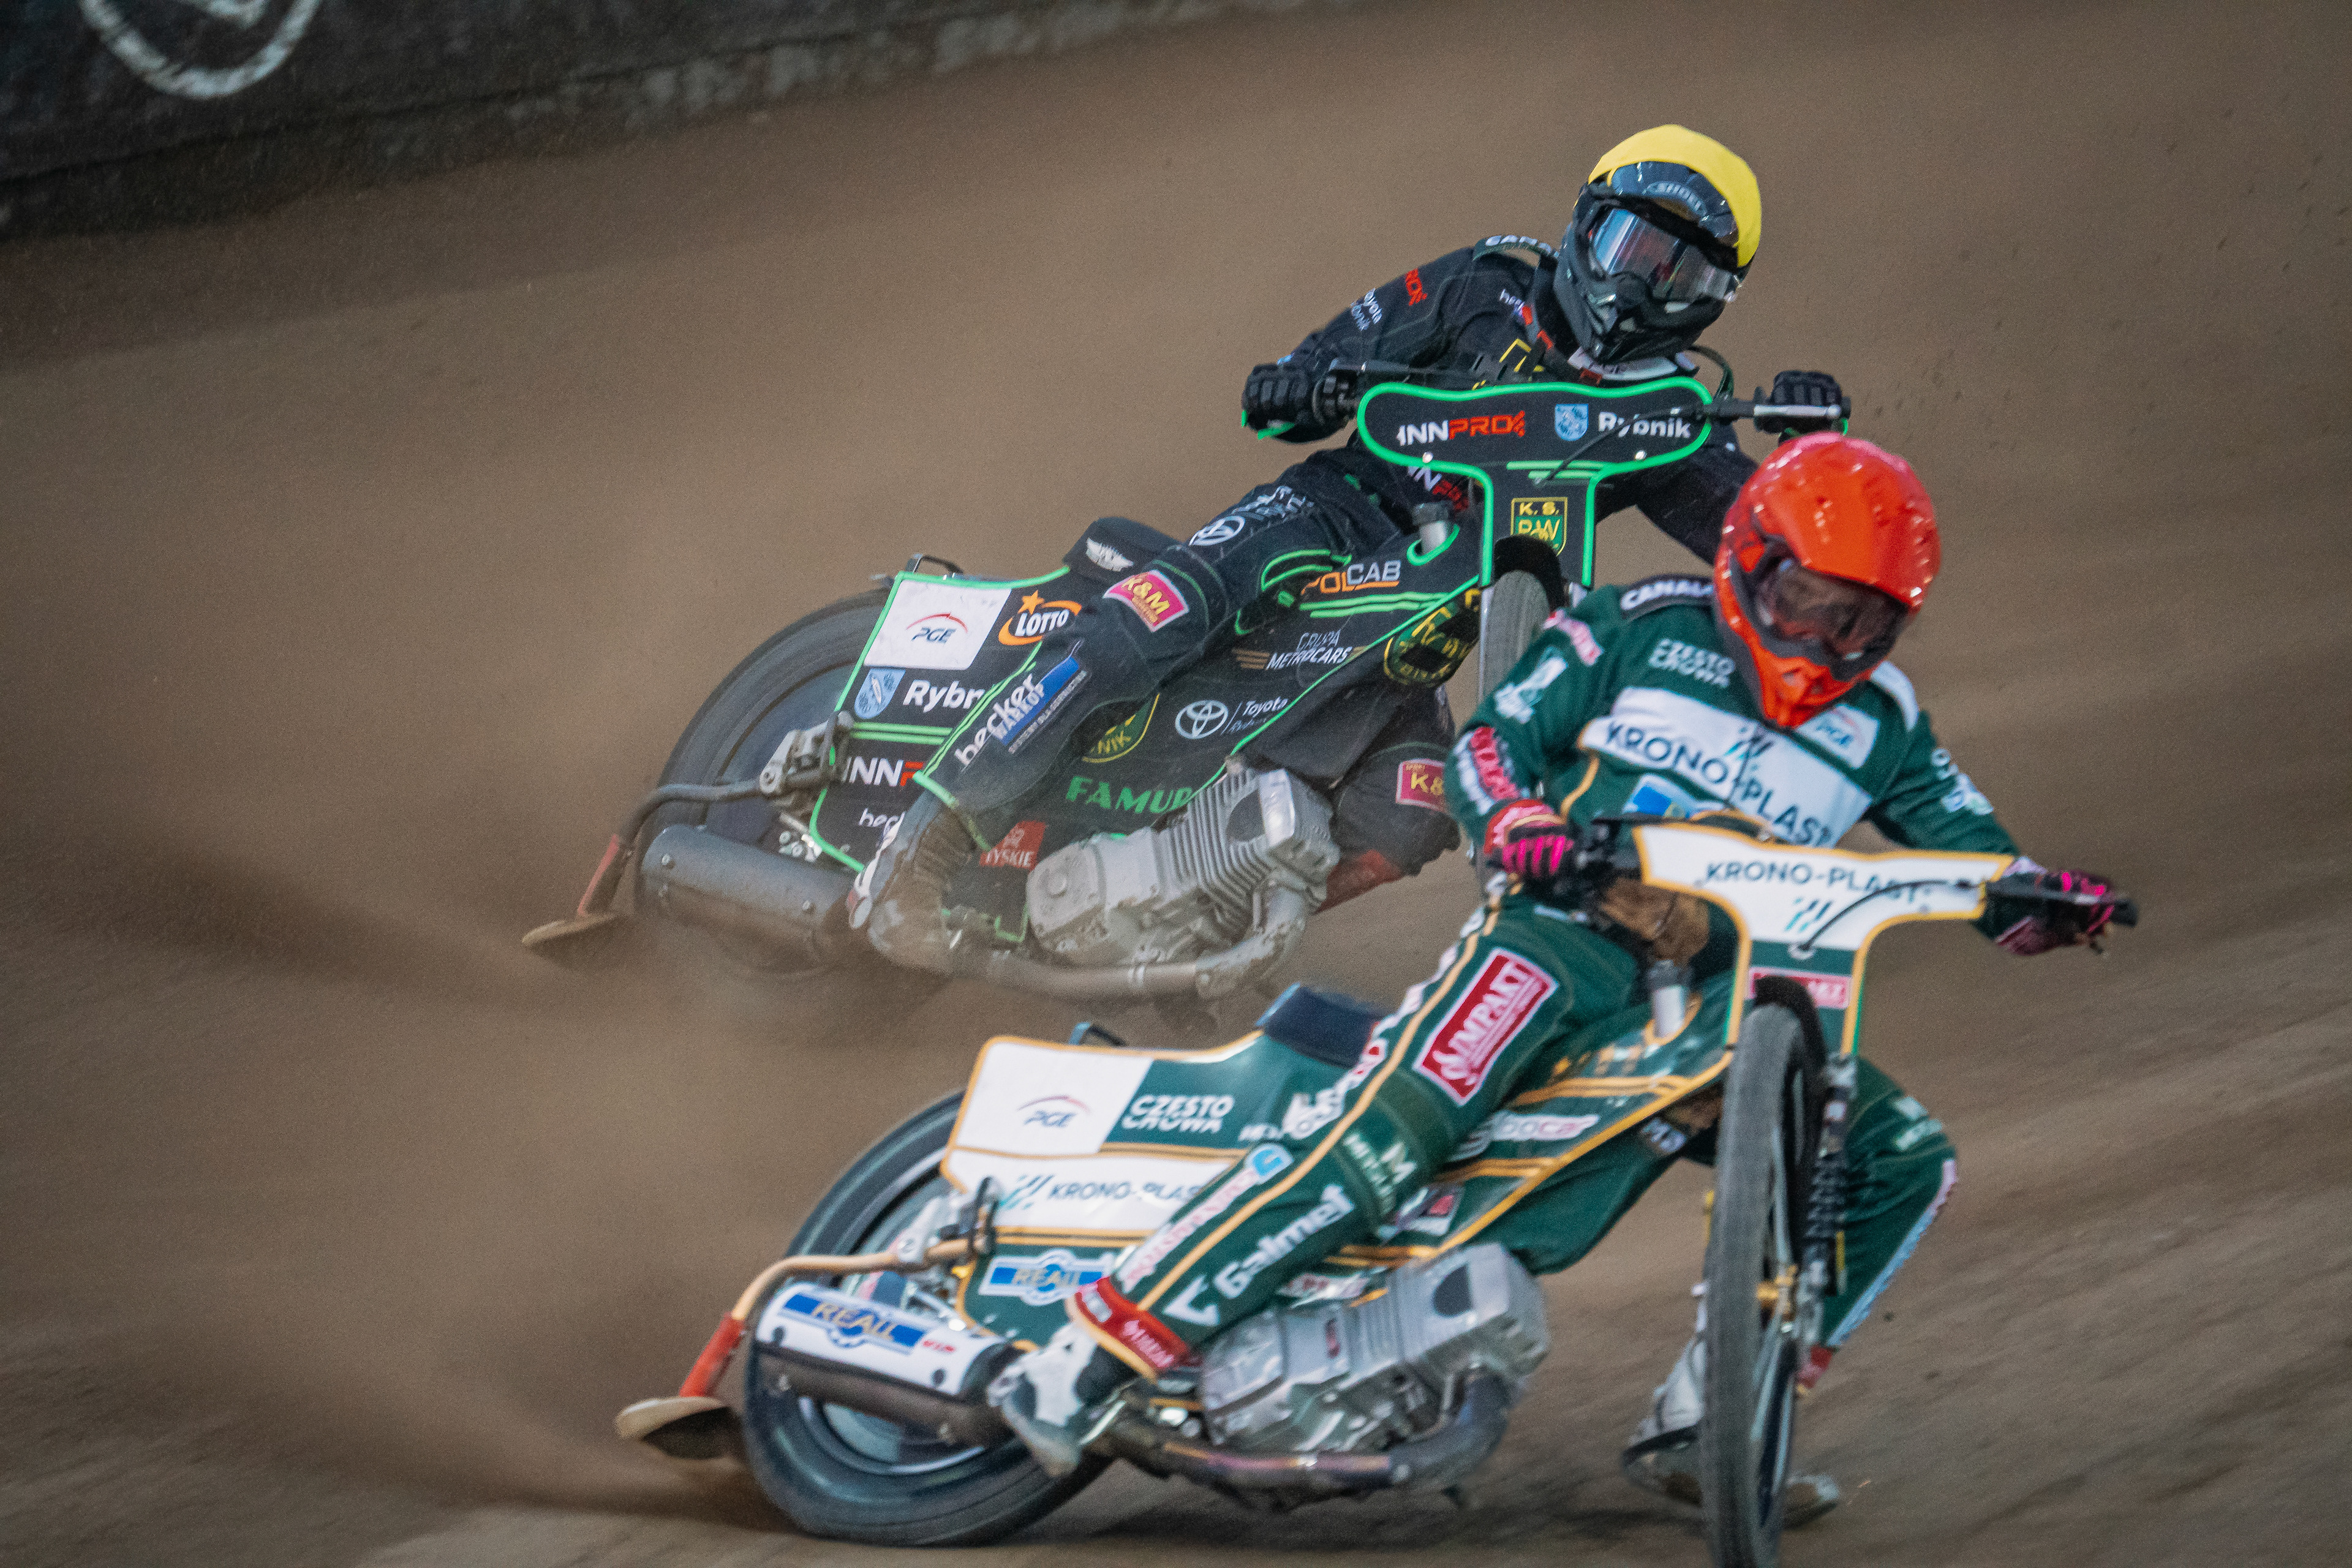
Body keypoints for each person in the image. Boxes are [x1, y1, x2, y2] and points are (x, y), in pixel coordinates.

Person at [985, 433, 2132, 1521]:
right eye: (1806, 602)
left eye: (1862, 623)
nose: (1825, 641)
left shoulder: (1887, 722)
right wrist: (1520, 822)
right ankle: (1091, 1352)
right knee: (1385, 1140)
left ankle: (1714, 1420)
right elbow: (1493, 746)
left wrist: (2045, 905)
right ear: (1749, 560)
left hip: (1731, 996)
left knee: (1902, 1159)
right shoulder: (1636, 627)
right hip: (1558, 938)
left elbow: (1980, 864)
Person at [860, 126, 1844, 941]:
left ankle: (1199, 928)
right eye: (1633, 247)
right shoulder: (1483, 285)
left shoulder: (1671, 419)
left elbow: (1781, 552)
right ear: (1587, 225)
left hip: (1422, 628)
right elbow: (1295, 381)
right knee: (1153, 619)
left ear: (1714, 300)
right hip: (1325, 518)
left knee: (1417, 807)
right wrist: (1301, 384)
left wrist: (1813, 450)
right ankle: (921, 849)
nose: (1641, 284)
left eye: (1678, 272)